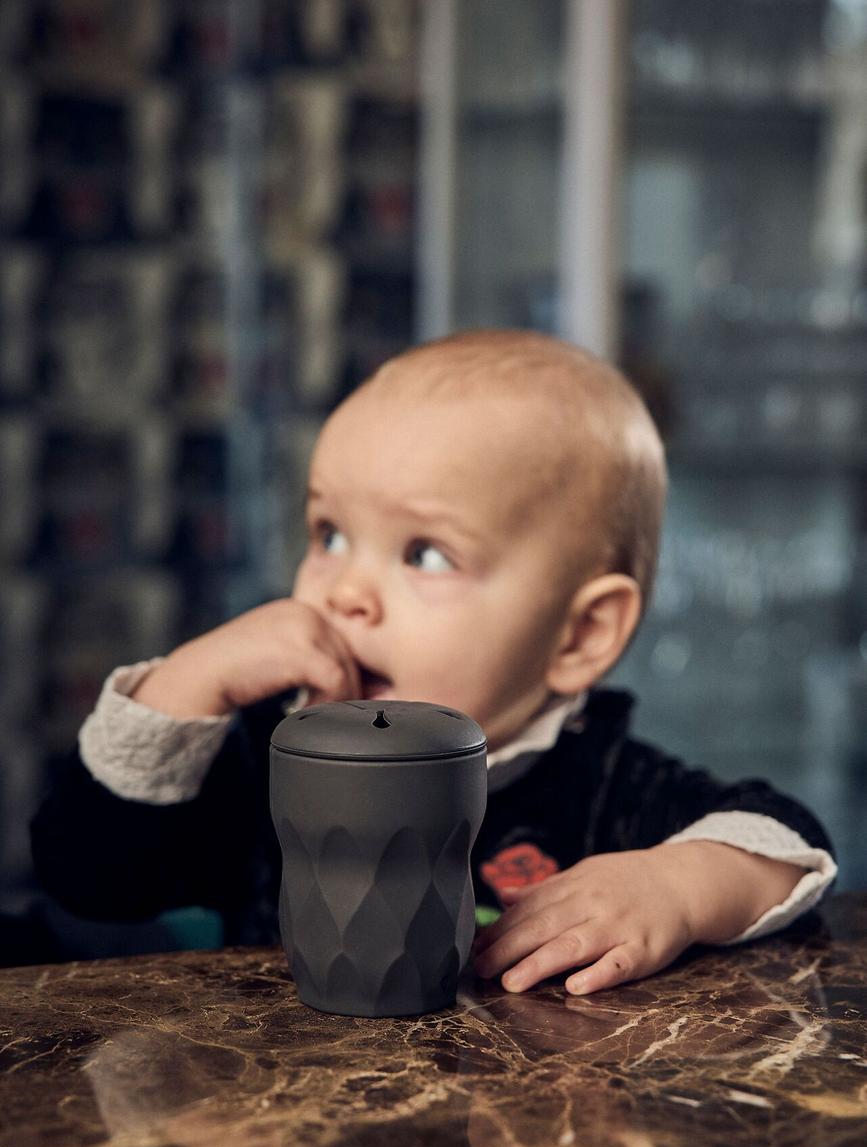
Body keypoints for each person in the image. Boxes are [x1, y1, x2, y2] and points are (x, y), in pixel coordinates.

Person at [31, 329, 836, 995]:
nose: (345, 590)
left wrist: (673, 887)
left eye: (422, 553)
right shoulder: (265, 750)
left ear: (579, 635)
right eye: (328, 535)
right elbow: (87, 876)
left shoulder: (603, 785)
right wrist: (181, 688)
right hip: (289, 1118)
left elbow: (784, 840)